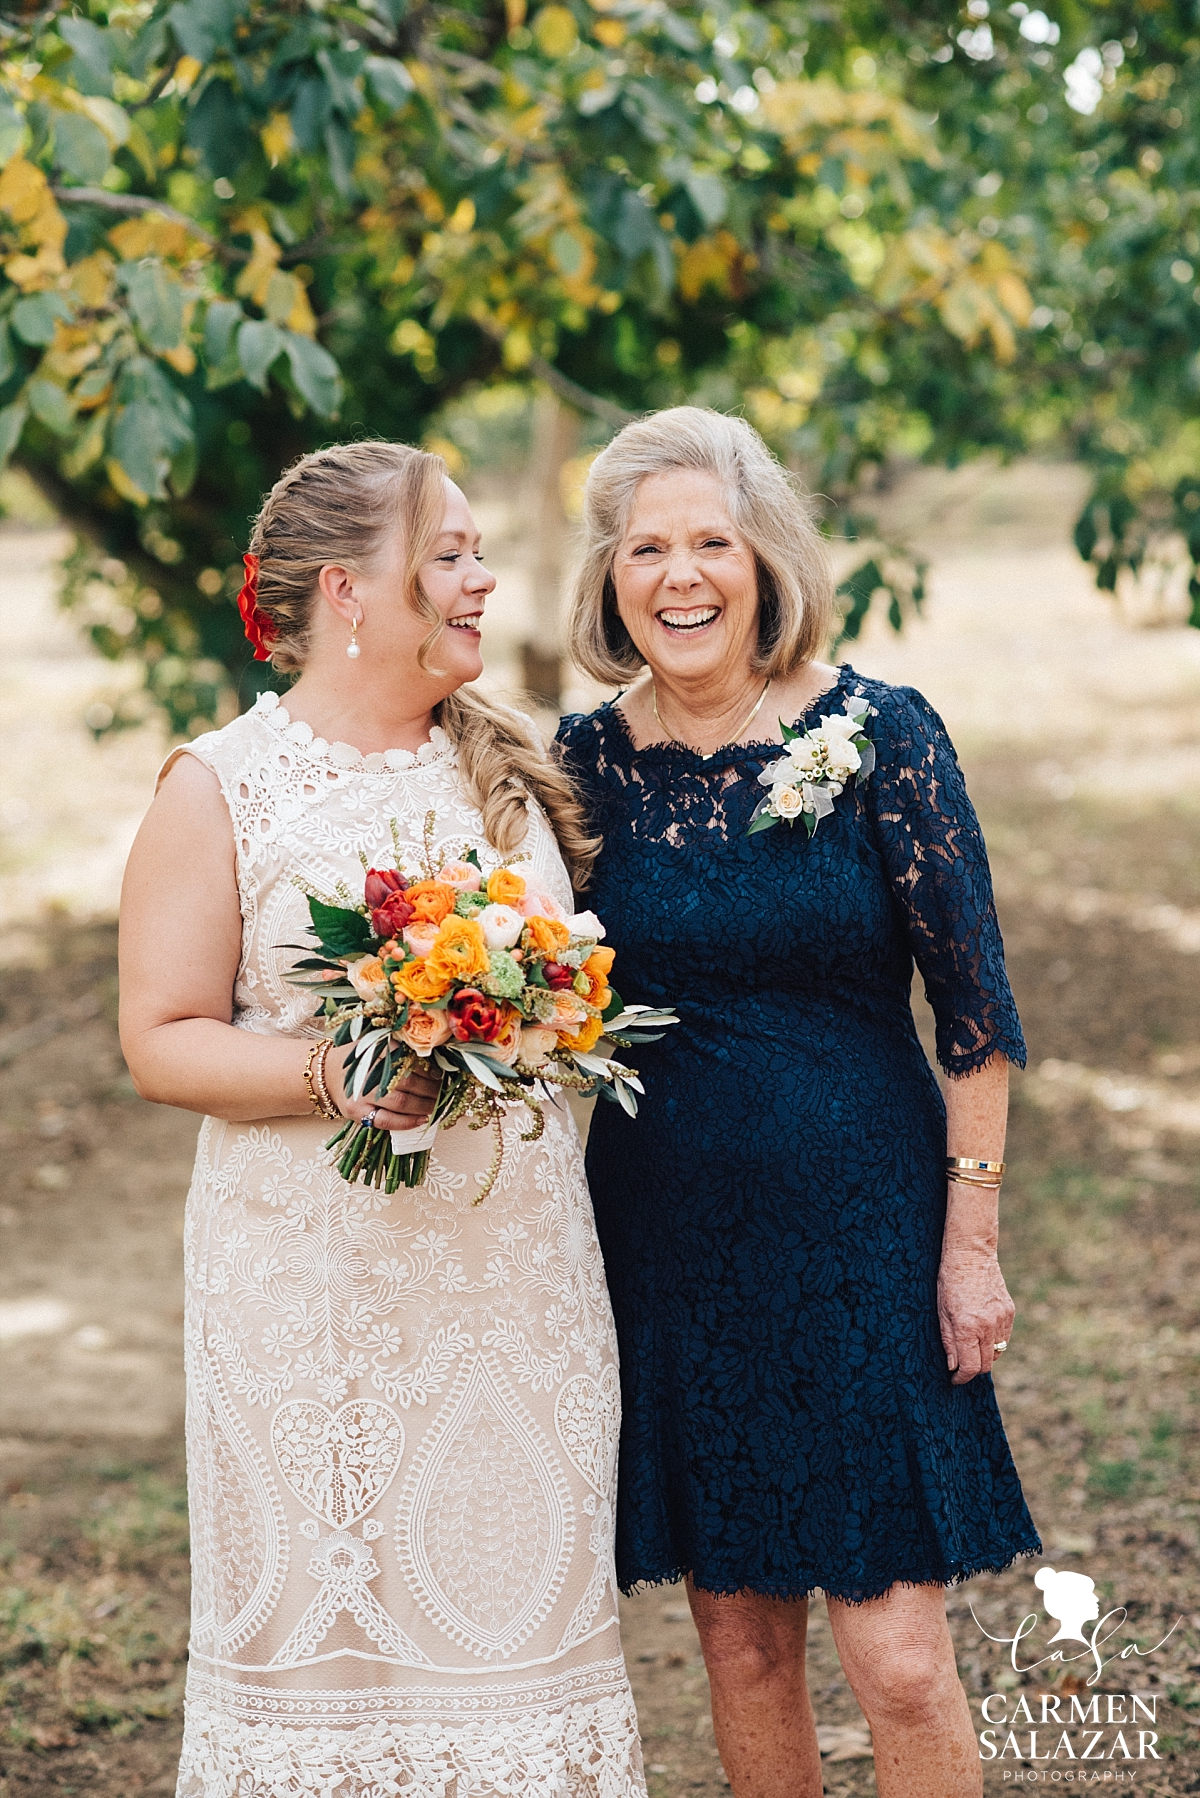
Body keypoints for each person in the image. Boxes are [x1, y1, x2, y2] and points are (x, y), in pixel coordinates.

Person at [120, 442, 646, 1797]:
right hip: (314, 1298)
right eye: (452, 554)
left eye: (477, 553)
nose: (482, 580)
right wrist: (326, 1078)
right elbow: (160, 1036)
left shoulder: (509, 770)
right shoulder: (220, 784)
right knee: (331, 1658)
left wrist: (532, 1012)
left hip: (514, 1281)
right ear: (349, 589)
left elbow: (571, 1001)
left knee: (514, 1637)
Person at [555, 408, 1040, 1798]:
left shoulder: (881, 733)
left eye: (712, 539)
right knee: (743, 1650)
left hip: (864, 1231)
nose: (679, 574)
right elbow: (530, 984)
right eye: (646, 546)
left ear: (767, 559)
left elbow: (976, 1017)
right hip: (672, 1238)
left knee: (898, 1660)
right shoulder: (579, 768)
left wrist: (970, 1240)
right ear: (611, 576)